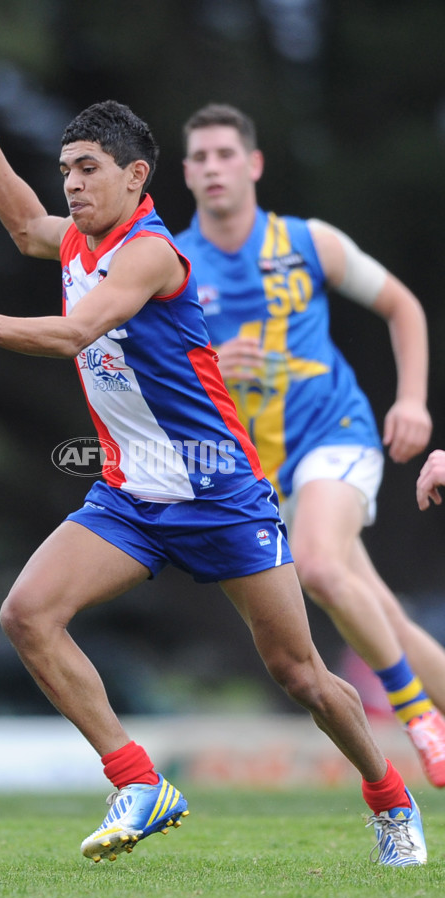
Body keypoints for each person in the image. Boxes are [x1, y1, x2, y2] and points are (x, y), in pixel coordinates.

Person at [0, 51, 427, 867]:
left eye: (89, 169)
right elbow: (23, 227)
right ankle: (138, 780)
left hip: (221, 495)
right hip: (130, 498)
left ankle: (391, 802)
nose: (72, 184)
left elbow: (76, 332)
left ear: (137, 176)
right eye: (66, 169)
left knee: (303, 676)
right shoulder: (76, 239)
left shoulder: (150, 253)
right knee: (26, 615)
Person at [176, 103, 445, 789]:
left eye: (225, 154)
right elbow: (154, 380)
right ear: (184, 173)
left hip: (338, 435)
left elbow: (403, 306)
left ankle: (416, 718)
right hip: (263, 473)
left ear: (254, 164)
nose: (213, 167)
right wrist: (206, 368)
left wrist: (411, 400)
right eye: (200, 157)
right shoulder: (169, 265)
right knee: (380, 613)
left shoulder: (308, 242)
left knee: (322, 571)